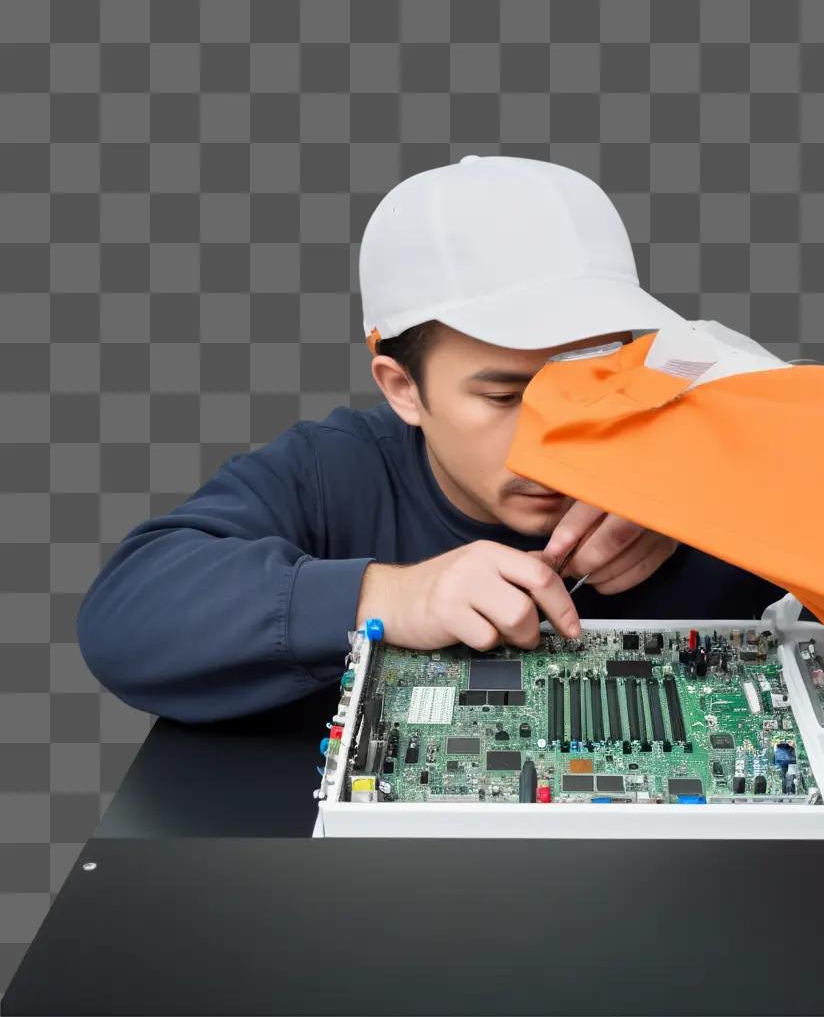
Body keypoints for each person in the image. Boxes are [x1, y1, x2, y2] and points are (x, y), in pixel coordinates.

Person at [76, 155, 787, 723]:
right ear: (402, 389)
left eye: (592, 380)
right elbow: (125, 616)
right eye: (506, 395)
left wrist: (716, 493)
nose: (554, 432)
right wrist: (386, 598)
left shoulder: (705, 446)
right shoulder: (333, 472)